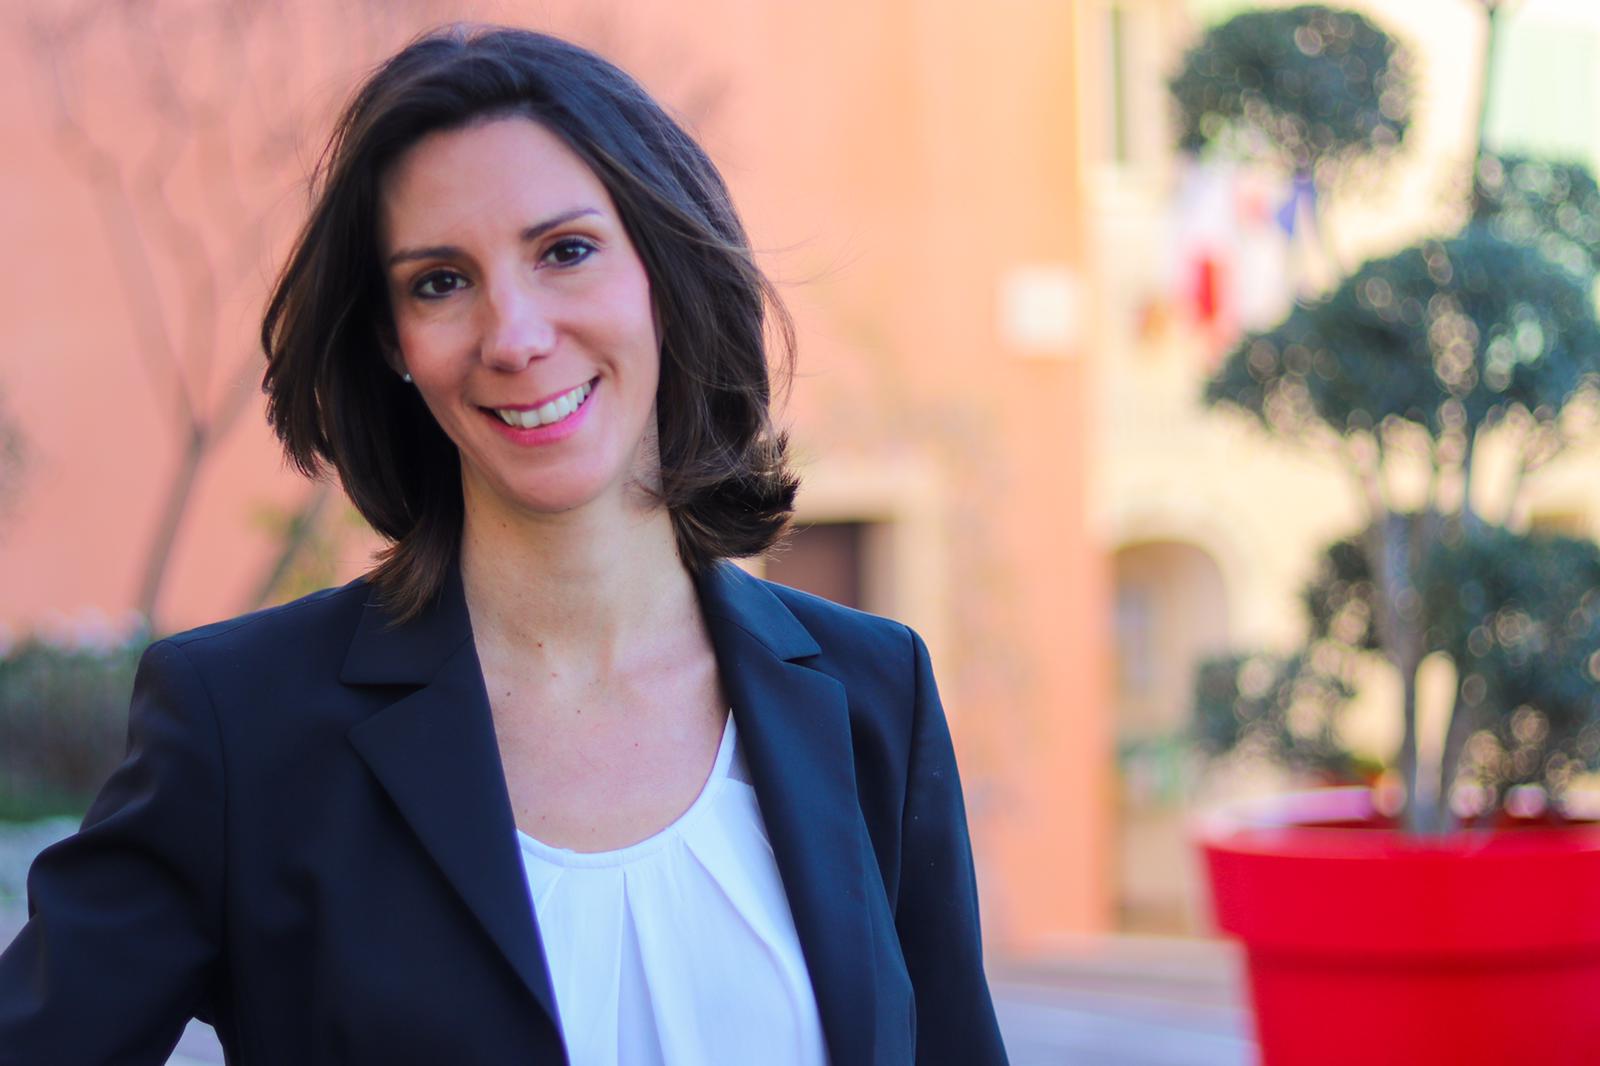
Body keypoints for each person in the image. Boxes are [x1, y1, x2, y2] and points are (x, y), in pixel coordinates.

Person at [0, 24, 1007, 1066]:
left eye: (565, 251)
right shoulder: (243, 728)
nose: (515, 336)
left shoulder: (871, 694)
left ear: (663, 270)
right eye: (440, 281)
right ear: (391, 341)